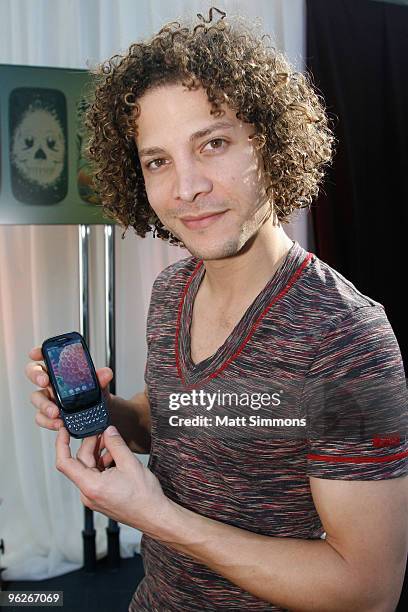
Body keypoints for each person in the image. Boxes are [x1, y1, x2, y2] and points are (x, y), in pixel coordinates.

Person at [25, 8, 408, 611]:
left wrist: (156, 516)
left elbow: (367, 591)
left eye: (214, 144)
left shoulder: (345, 337)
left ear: (273, 143)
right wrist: (106, 413)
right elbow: (178, 420)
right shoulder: (171, 291)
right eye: (158, 160)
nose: (186, 187)